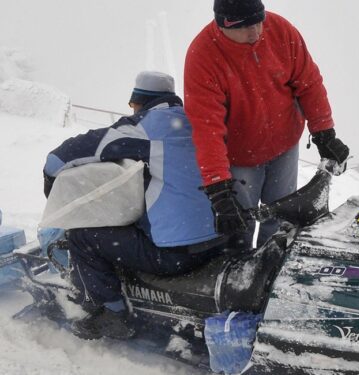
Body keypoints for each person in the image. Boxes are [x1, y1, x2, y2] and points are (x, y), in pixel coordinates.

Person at [42, 71, 227, 340]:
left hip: (176, 255)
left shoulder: (142, 128)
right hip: (219, 242)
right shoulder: (198, 120)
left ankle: (109, 313)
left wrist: (50, 180)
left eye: (133, 104)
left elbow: (61, 158)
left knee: (82, 236)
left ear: (140, 101)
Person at [184, 0, 350, 249]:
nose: (256, 32)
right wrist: (218, 188)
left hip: (284, 145)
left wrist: (324, 133)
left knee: (281, 220)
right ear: (224, 25)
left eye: (258, 21)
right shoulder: (203, 56)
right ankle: (242, 272)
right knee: (241, 223)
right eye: (245, 27)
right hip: (239, 157)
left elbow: (309, 83)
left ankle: (274, 265)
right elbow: (207, 128)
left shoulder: (280, 29)